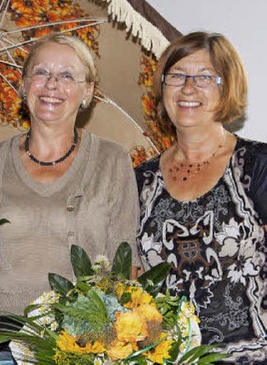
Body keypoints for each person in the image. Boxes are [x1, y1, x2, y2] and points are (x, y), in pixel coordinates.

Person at [0, 33, 140, 361]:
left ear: (88, 92)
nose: (52, 84)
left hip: (81, 347)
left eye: (67, 75)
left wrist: (97, 345)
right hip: (2, 346)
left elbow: (126, 264)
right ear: (24, 86)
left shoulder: (113, 160)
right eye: (41, 73)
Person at [136, 32, 267, 363]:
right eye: (177, 76)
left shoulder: (258, 164)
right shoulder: (139, 180)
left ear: (226, 89)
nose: (188, 88)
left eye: (205, 77)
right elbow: (132, 280)